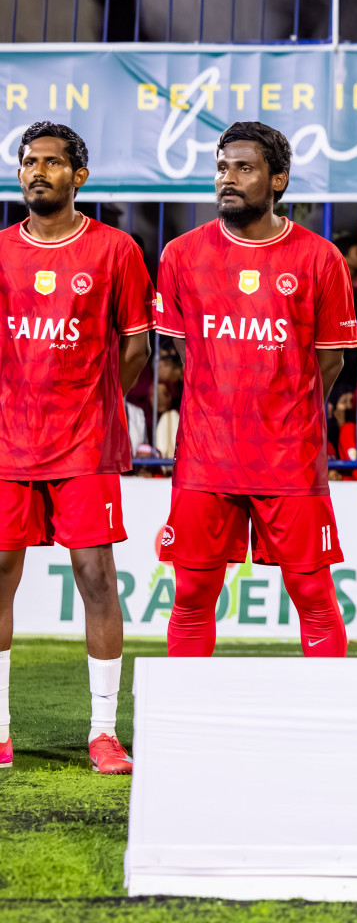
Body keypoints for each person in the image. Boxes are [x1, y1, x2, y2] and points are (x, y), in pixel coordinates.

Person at [152, 122, 357, 657]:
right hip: (206, 455)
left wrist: (283, 406)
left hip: (289, 456)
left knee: (312, 592)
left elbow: (329, 362)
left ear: (278, 180)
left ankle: (322, 734)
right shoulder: (181, 255)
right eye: (223, 168)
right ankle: (185, 727)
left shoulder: (320, 259)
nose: (229, 179)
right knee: (193, 592)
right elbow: (185, 352)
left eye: (245, 169)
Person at [0, 122, 152, 774]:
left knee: (96, 579)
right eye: (29, 162)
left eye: (52, 163)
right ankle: (1, 733)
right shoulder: (2, 250)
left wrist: (95, 404)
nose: (38, 171)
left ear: (78, 176)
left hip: (86, 447)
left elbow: (138, 346)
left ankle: (102, 733)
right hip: (8, 444)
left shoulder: (115, 250)